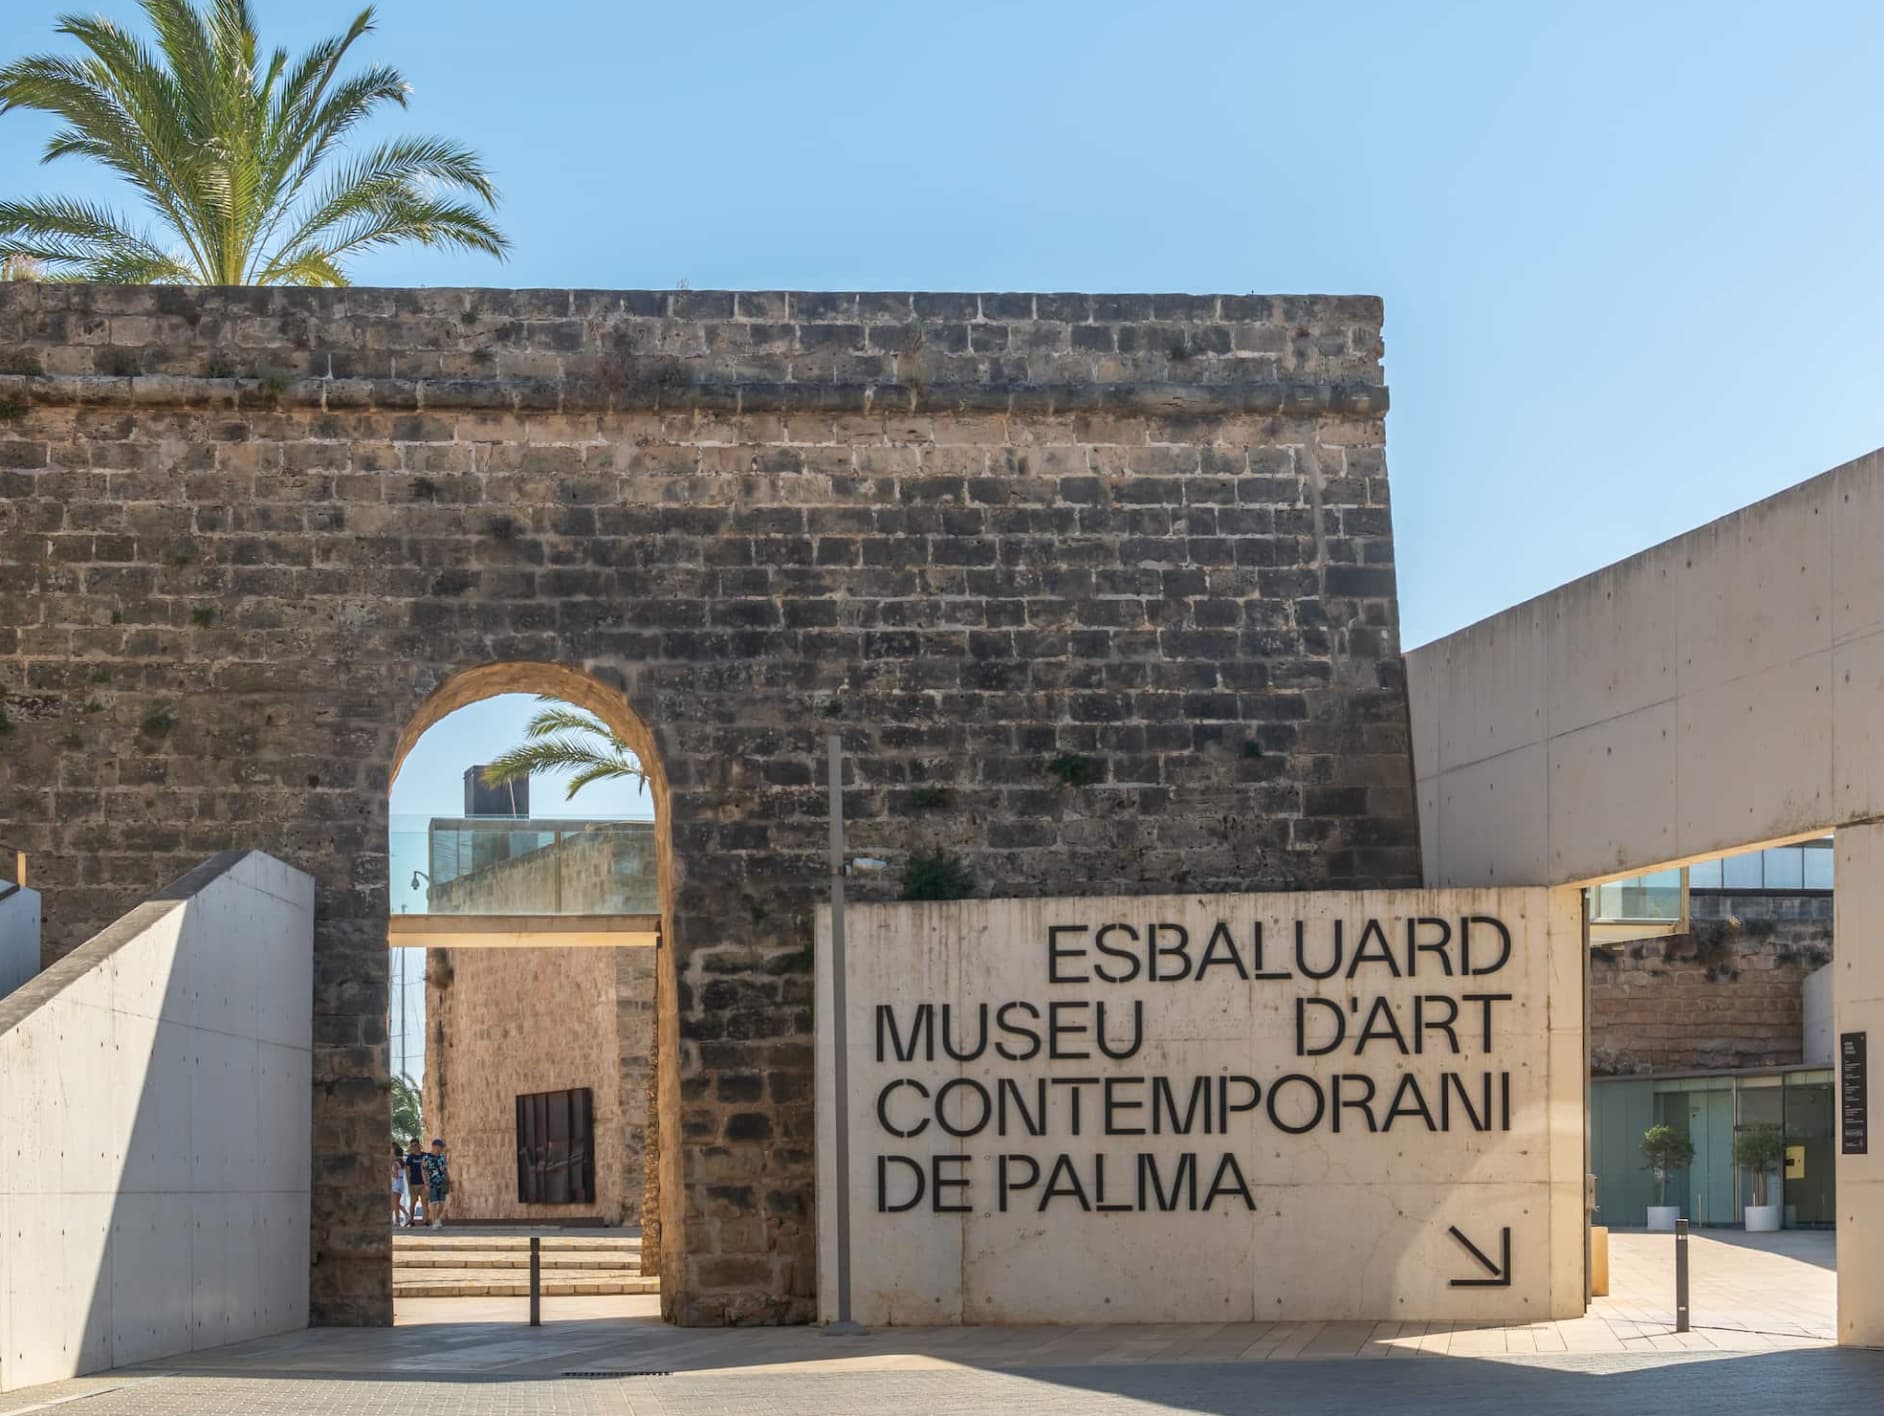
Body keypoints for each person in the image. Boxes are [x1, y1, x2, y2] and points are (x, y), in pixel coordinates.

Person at [423, 1137, 452, 1228]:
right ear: (435, 1146)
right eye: (440, 1147)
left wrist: (449, 1181)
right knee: (434, 1202)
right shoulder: (426, 1158)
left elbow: (445, 1170)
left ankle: (437, 1218)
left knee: (442, 1202)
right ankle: (434, 1221)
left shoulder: (442, 1158)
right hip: (432, 1182)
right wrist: (426, 1183)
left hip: (442, 1182)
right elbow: (423, 1171)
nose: (442, 1148)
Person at [403, 1142, 428, 1226]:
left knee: (424, 1202)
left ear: (419, 1145)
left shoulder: (425, 1156)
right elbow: (407, 1172)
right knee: (413, 1202)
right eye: (412, 1146)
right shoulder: (410, 1158)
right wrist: (409, 1185)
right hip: (414, 1183)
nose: (414, 1147)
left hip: (424, 1183)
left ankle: (425, 1220)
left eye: (415, 1145)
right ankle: (411, 1219)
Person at [390, 1145, 407, 1226]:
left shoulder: (395, 1163)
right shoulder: (402, 1162)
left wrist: (390, 1172)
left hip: (396, 1183)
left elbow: (395, 1175)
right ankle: (406, 1215)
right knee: (395, 1203)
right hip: (401, 1183)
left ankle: (397, 1220)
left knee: (395, 1203)